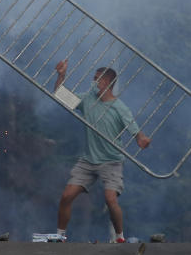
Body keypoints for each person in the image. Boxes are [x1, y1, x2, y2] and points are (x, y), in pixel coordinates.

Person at [54, 59, 151, 243]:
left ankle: (120, 237)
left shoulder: (119, 108)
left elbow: (136, 131)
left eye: (96, 79)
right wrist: (61, 76)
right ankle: (59, 236)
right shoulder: (87, 99)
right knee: (67, 196)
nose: (93, 82)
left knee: (110, 199)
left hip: (111, 161)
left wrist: (142, 139)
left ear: (106, 83)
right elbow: (61, 95)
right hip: (88, 160)